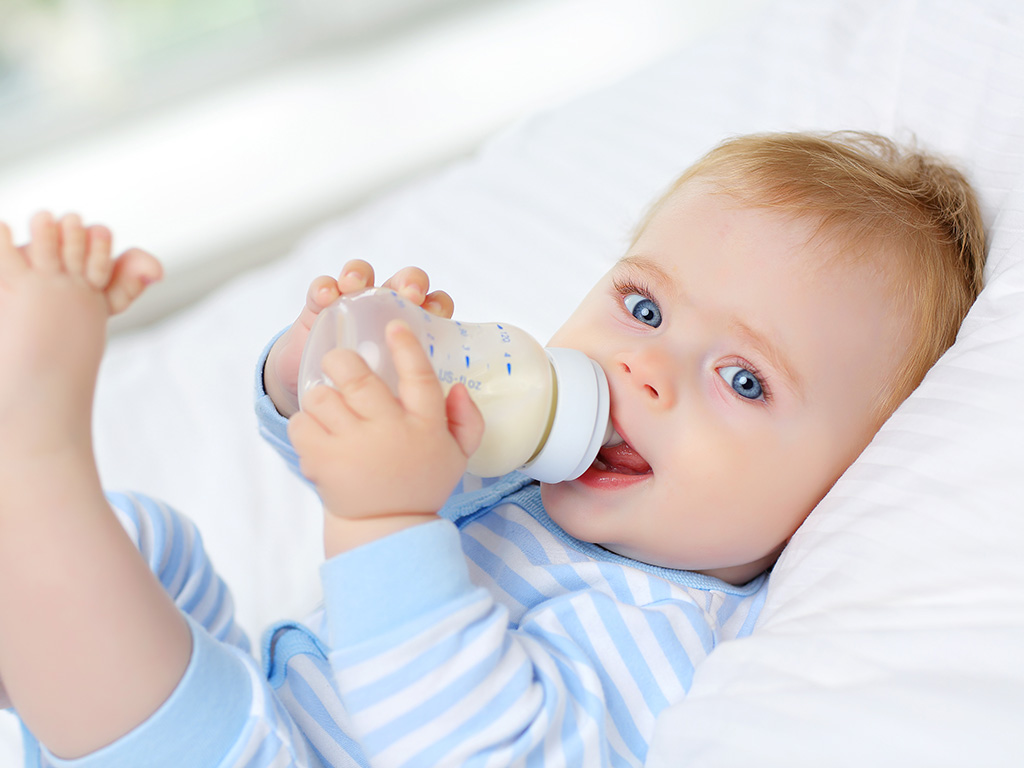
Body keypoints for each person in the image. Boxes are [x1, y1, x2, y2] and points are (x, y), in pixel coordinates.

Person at [1, 130, 985, 767]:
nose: (645, 371)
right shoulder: (530, 469)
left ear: (843, 484)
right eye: (641, 306)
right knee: (145, 547)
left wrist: (385, 520)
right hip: (266, 692)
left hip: (266, 755)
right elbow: (331, 453)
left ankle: (30, 460)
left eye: (742, 379)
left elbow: (477, 752)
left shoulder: (675, 635)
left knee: (115, 621)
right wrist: (317, 375)